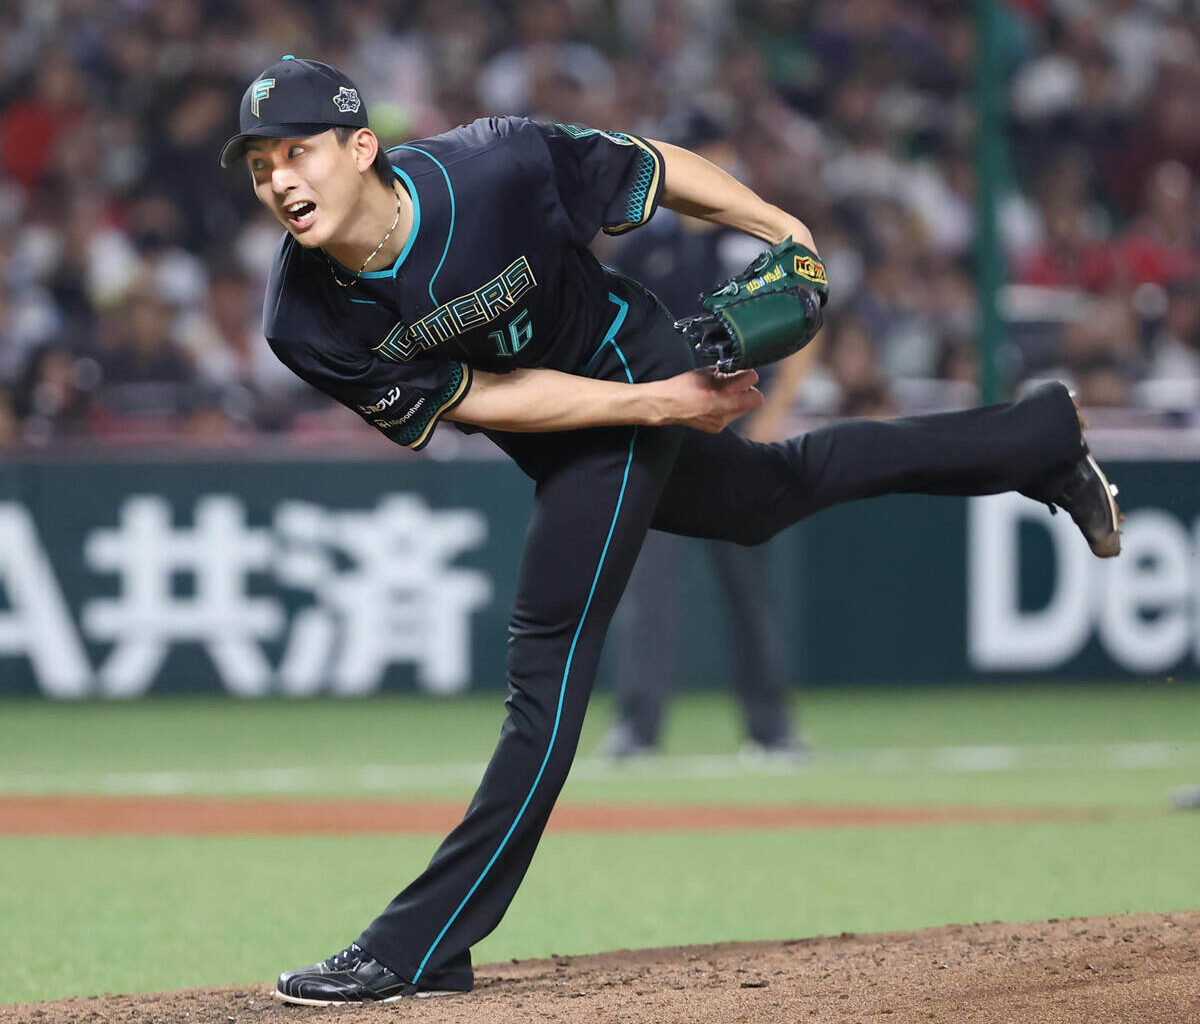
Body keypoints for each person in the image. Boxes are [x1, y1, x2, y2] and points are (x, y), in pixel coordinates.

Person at [219, 56, 1122, 1005]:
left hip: (626, 353)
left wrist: (783, 230)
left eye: (299, 151)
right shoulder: (303, 317)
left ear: (362, 149)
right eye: (259, 166)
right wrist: (662, 405)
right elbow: (485, 398)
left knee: (547, 661)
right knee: (773, 494)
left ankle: (417, 946)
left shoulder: (492, 167)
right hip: (589, 410)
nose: (281, 179)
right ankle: (1041, 437)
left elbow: (650, 167)